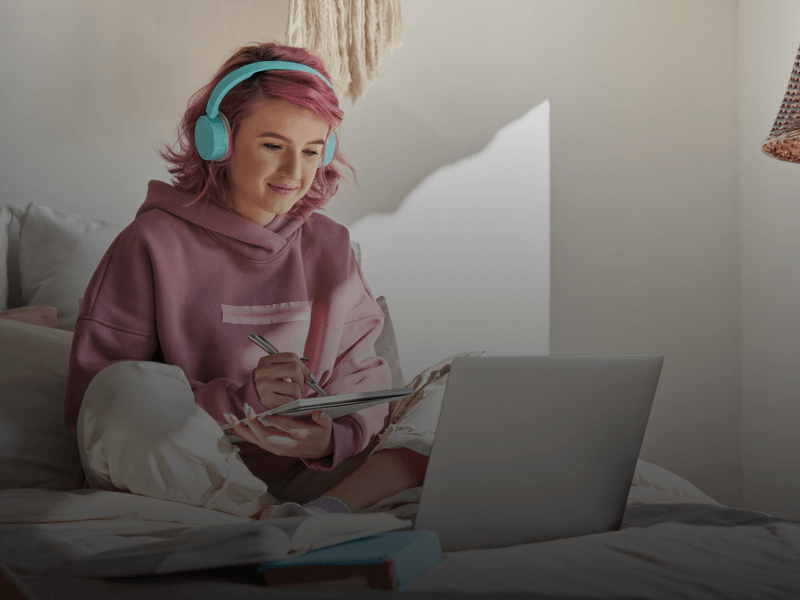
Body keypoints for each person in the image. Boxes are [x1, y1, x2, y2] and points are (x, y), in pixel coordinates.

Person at [64, 41, 431, 519]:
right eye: (273, 146)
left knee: (449, 388)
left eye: (311, 151)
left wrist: (329, 440)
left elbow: (362, 375)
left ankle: (319, 517)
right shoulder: (150, 242)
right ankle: (266, 520)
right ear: (219, 141)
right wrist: (244, 401)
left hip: (307, 481)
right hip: (184, 474)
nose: (294, 172)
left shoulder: (332, 247)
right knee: (121, 390)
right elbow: (95, 405)